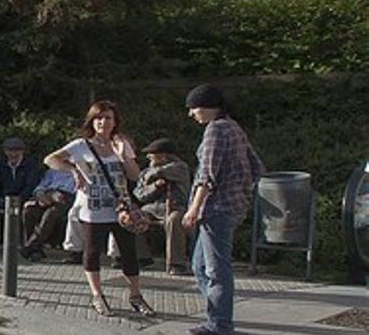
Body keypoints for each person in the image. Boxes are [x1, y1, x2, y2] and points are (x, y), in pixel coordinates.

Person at [44, 100, 155, 318]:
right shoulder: (80, 145)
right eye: (99, 118)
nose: (103, 122)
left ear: (115, 122)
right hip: (92, 208)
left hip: (121, 209)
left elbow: (135, 176)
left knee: (128, 252)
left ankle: (135, 295)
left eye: (108, 118)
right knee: (93, 251)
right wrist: (73, 170)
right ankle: (97, 295)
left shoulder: (121, 143)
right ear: (92, 121)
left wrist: (124, 155)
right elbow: (50, 159)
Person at [183, 84, 263, 335]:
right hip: (232, 206)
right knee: (199, 266)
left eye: (194, 108)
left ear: (208, 107)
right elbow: (257, 166)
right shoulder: (234, 127)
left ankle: (220, 324)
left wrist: (193, 209)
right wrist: (242, 191)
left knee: (217, 270)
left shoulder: (215, 131)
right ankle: (217, 314)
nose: (191, 113)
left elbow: (207, 175)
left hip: (216, 209)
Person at [123, 138, 191, 275]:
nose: (149, 159)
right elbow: (140, 194)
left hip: (177, 207)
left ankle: (176, 263)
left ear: (163, 156)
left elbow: (163, 172)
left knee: (174, 220)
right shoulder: (147, 171)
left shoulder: (180, 167)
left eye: (152, 155)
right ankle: (142, 257)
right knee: (135, 217)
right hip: (153, 207)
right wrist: (155, 186)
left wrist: (155, 175)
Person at [0, 136, 42, 254]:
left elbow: (30, 186)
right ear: (6, 152)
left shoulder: (31, 166)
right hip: (6, 199)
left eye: (16, 151)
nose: (13, 154)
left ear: (22, 151)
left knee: (26, 211)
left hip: (25, 199)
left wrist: (20, 199)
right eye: (10, 151)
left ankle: (25, 245)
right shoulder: (2, 165)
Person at [18, 167, 77, 261]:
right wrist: (40, 194)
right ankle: (35, 249)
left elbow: (74, 189)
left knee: (50, 214)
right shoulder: (52, 171)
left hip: (65, 197)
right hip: (47, 194)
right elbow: (41, 186)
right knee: (29, 211)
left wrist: (56, 196)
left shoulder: (76, 171)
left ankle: (29, 247)